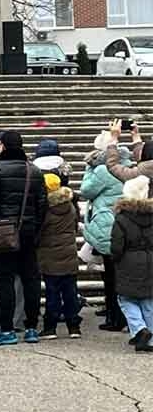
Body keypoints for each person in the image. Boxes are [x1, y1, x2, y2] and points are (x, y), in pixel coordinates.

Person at [0, 130, 47, 347]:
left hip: (2, 234)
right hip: (28, 232)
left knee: (5, 280)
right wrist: (35, 229)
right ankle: (32, 328)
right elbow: (43, 205)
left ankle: (6, 329)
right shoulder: (34, 171)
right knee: (31, 279)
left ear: (2, 146)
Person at [83, 138, 131, 331]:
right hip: (126, 224)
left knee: (111, 276)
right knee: (122, 274)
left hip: (107, 225)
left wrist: (89, 169)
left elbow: (86, 190)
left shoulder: (103, 171)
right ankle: (126, 317)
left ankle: (115, 318)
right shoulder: (129, 168)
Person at [38, 174, 81, 339]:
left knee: (52, 292)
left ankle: (50, 327)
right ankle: (74, 326)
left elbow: (39, 232)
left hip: (50, 257)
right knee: (70, 292)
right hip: (69, 255)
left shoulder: (46, 210)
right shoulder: (70, 206)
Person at [112, 176, 153, 352]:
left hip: (128, 260)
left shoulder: (122, 218)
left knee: (126, 298)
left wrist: (116, 258)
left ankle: (139, 329)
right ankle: (150, 339)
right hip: (150, 259)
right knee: (148, 300)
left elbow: (117, 244)